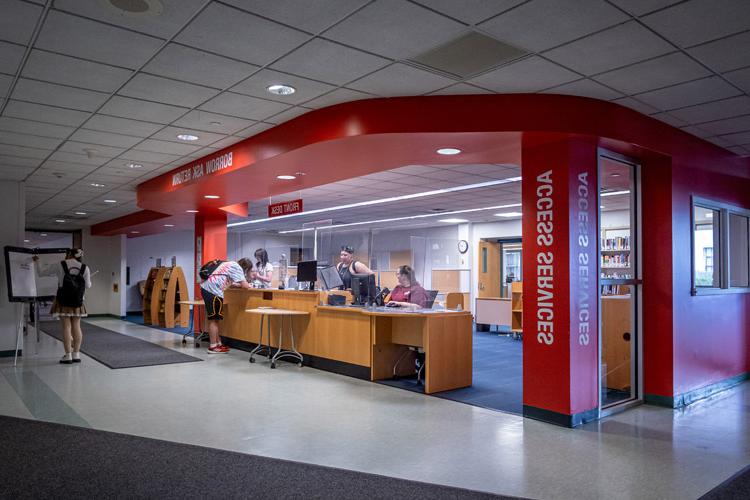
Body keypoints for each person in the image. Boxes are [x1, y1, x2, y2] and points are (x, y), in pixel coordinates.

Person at [34, 248, 92, 364]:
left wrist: (37, 261)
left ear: (69, 254)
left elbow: (41, 273)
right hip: (78, 301)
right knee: (76, 326)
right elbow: (88, 285)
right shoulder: (85, 267)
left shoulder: (60, 264)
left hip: (63, 300)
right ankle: (76, 354)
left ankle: (68, 355)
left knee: (66, 327)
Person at [200, 258, 253, 353]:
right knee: (213, 320)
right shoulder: (237, 268)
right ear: (246, 268)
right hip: (213, 291)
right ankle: (213, 347)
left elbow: (230, 283)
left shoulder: (228, 263)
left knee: (216, 320)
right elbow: (245, 286)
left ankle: (218, 343)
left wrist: (238, 285)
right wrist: (250, 285)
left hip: (208, 289)